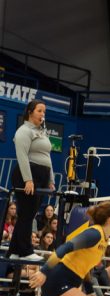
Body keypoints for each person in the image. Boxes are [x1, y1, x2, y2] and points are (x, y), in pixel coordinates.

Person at [10, 100, 55, 262]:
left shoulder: (42, 132)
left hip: (42, 176)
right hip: (28, 174)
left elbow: (47, 157)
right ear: (30, 112)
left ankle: (14, 250)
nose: (43, 114)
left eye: (44, 111)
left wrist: (51, 179)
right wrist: (28, 179)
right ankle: (26, 250)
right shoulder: (23, 130)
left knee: (27, 215)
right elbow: (21, 155)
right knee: (27, 215)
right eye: (39, 111)